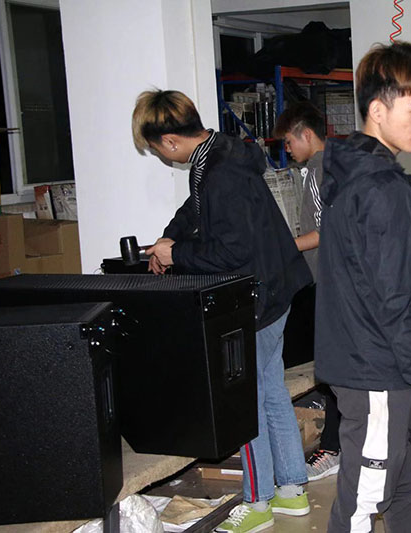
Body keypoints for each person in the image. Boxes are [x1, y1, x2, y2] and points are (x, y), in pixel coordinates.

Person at [131, 90, 313, 533]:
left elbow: (232, 252)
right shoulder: (218, 154)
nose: (163, 156)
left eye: (158, 150)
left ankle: (257, 501)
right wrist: (168, 240)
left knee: (245, 403)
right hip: (275, 287)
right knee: (271, 391)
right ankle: (292, 489)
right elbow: (193, 210)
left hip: (258, 296)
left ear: (170, 140)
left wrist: (178, 255)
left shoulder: (220, 173)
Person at [315, 42, 411, 532]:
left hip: (376, 361)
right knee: (364, 500)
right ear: (378, 111)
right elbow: (397, 302)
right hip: (374, 369)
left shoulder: (350, 169)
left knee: (409, 478)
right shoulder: (381, 189)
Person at [274, 102, 342, 482]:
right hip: (343, 282)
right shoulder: (340, 162)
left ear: (306, 134)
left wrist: (283, 248)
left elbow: (323, 230)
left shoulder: (317, 168)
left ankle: (331, 448)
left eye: (288, 142)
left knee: (331, 369)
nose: (287, 150)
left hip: (329, 283)